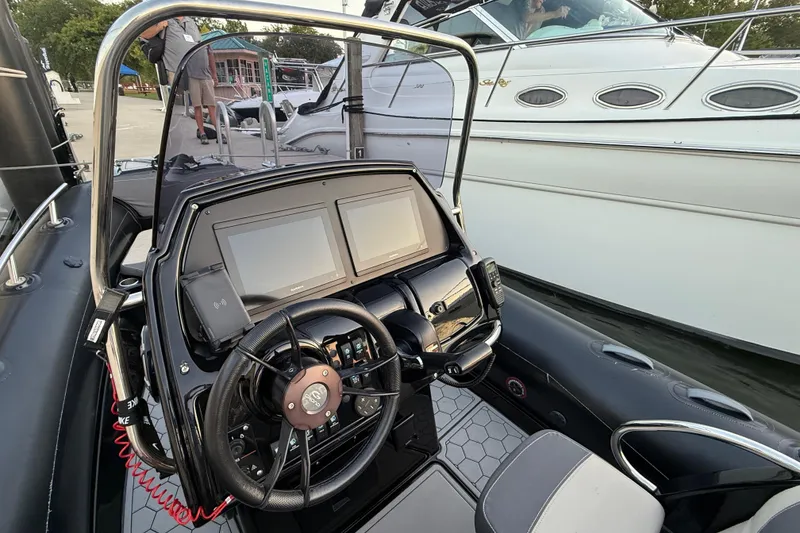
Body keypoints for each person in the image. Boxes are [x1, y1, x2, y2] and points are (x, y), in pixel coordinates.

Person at [141, 17, 225, 145]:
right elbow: (144, 34)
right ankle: (196, 135)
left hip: (203, 74)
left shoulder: (191, 22)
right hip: (178, 73)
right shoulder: (165, 17)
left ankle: (218, 132)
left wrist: (214, 74)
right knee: (191, 107)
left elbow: (205, 50)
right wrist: (160, 26)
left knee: (211, 106)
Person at [487, 0, 570, 39]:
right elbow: (527, 17)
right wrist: (554, 14)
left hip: (515, 46)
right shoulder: (523, 1)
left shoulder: (541, 11)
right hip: (499, 38)